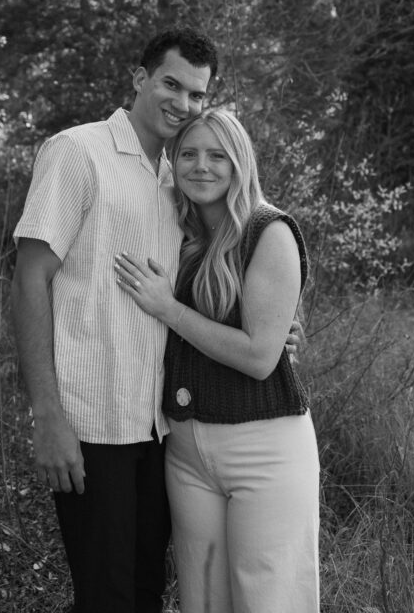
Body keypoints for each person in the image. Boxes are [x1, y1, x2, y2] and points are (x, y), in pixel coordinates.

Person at [11, 26, 219, 613]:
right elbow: (30, 281)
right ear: (140, 79)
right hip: (90, 421)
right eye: (172, 84)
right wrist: (47, 416)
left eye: (198, 95)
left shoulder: (180, 177)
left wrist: (272, 332)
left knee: (145, 592)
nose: (183, 104)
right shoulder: (77, 152)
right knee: (106, 597)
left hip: (158, 425)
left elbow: (195, 286)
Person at [115, 109, 320, 613]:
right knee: (204, 600)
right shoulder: (175, 232)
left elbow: (257, 358)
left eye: (216, 155)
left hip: (263, 447)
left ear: (239, 163)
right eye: (188, 153)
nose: (201, 166)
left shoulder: (267, 232)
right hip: (185, 451)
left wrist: (170, 309)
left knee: (269, 600)